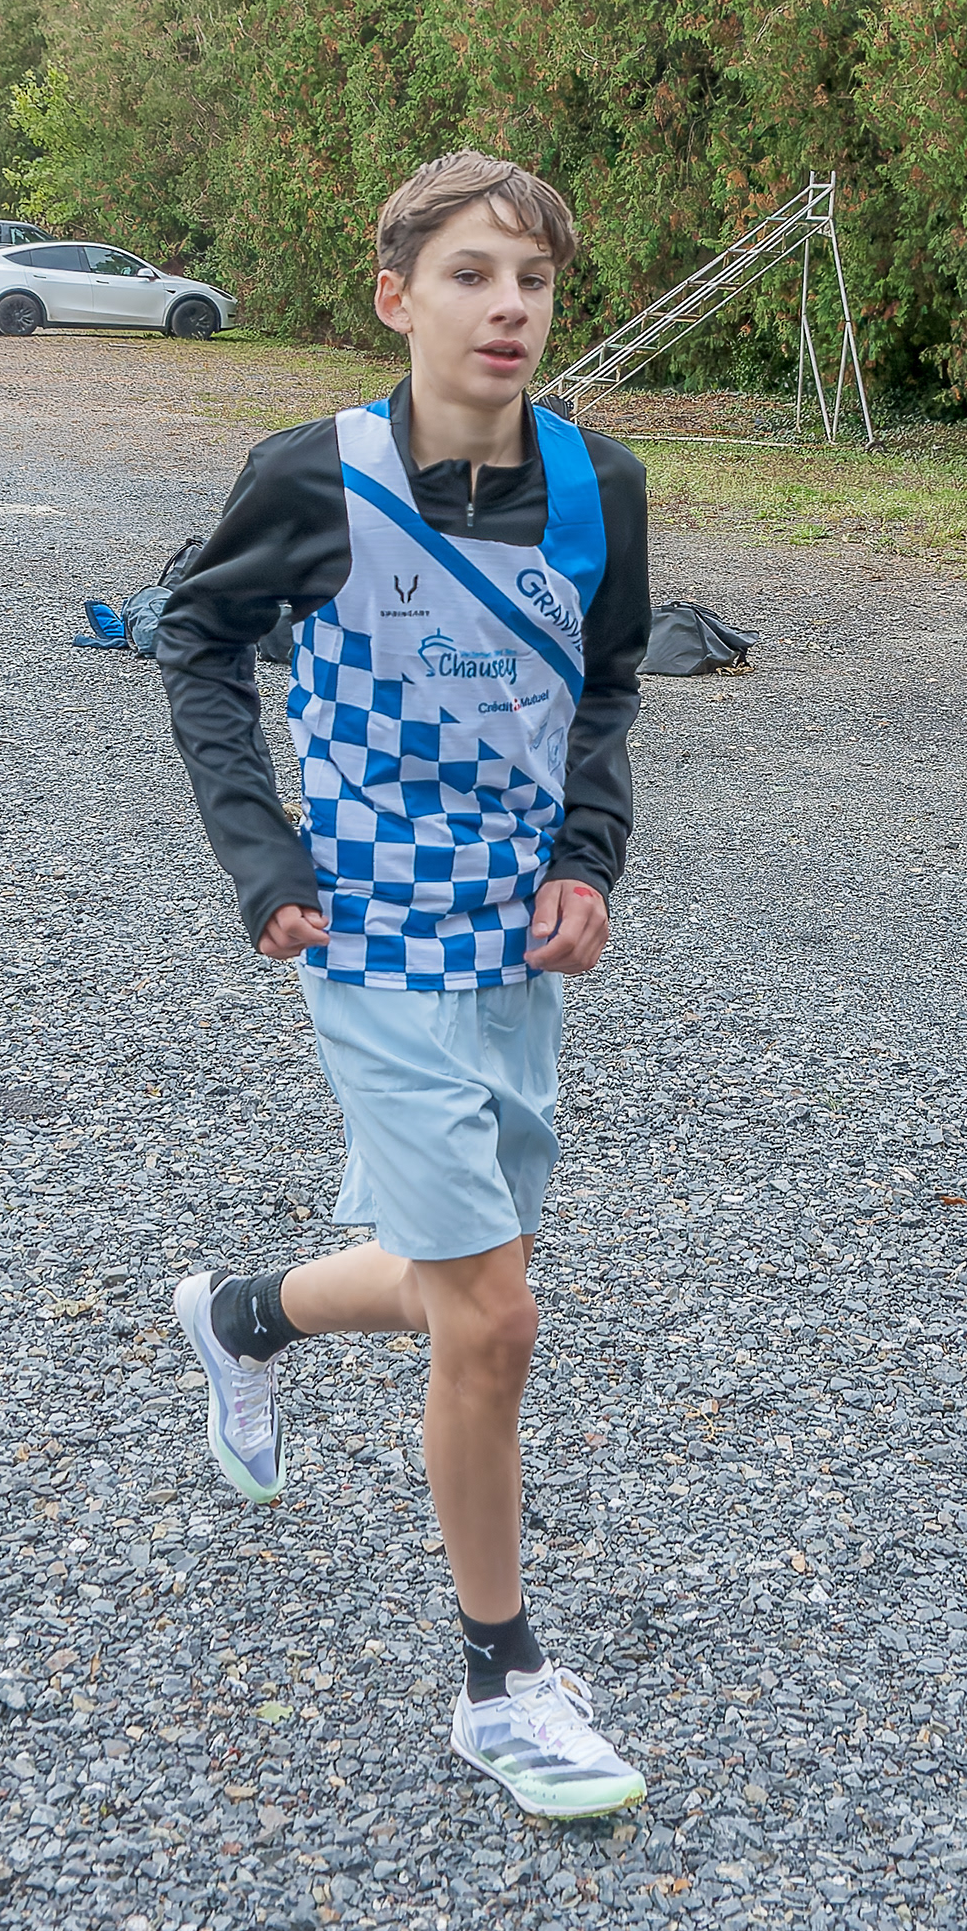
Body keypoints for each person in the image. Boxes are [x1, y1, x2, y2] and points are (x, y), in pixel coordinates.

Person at [156, 151, 652, 1819]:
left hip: (516, 949)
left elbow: (608, 685)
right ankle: (502, 1682)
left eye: (533, 279)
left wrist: (588, 856)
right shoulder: (318, 476)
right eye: (471, 274)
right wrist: (263, 857)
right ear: (396, 297)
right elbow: (194, 641)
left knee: (455, 1288)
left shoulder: (598, 488)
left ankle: (240, 1316)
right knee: (495, 1318)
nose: (508, 307)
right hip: (365, 944)